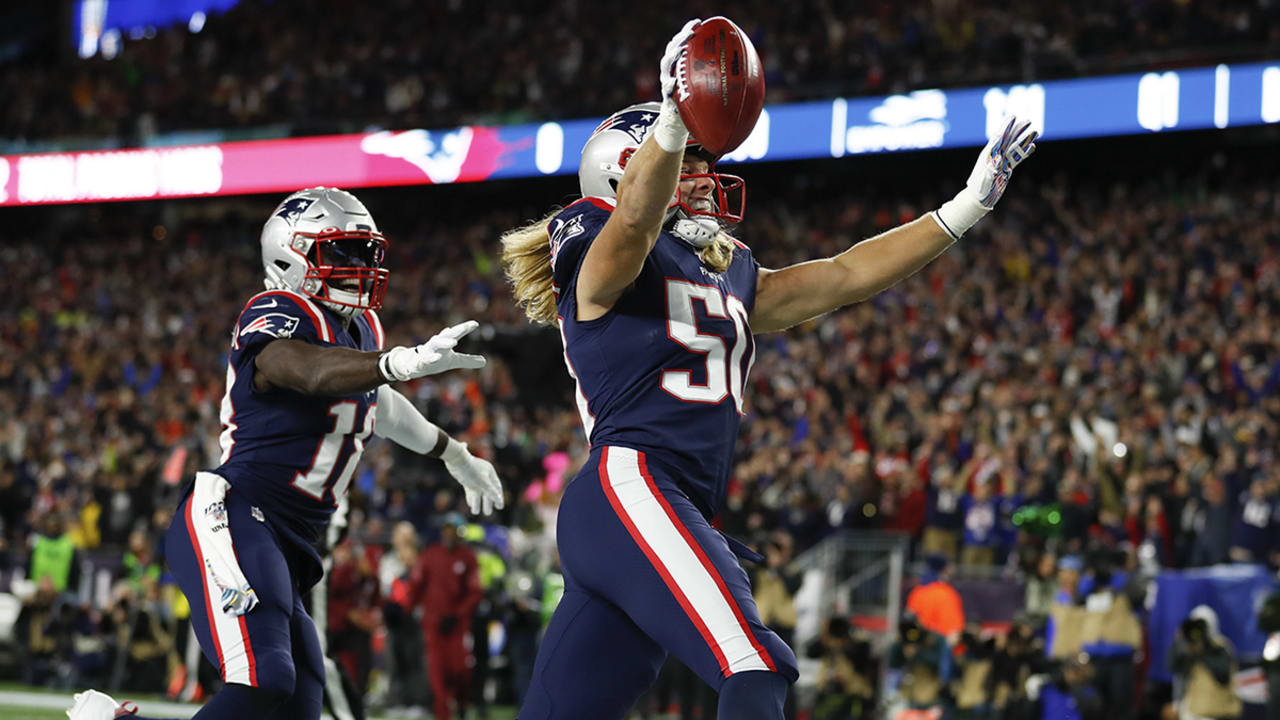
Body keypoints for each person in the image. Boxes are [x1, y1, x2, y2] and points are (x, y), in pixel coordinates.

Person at [499, 19, 1037, 720]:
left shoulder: (729, 272)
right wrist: (670, 122)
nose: (703, 177)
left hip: (661, 503)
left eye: (701, 161)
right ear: (625, 170)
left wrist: (964, 208)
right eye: (688, 162)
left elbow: (844, 275)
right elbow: (631, 228)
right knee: (754, 666)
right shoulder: (597, 246)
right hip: (633, 485)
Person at [68, 186, 506, 720]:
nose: (357, 266)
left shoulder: (361, 329)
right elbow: (308, 371)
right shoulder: (276, 310)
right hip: (236, 515)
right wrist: (396, 363)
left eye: (362, 253)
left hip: (288, 541)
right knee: (263, 677)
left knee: (298, 704)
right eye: (339, 253)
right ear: (289, 257)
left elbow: (379, 406)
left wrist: (453, 453)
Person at [408, 513, 483, 720]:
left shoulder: (467, 557)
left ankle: (461, 704)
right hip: (433, 623)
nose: (449, 535)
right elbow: (416, 585)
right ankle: (443, 715)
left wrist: (458, 614)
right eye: (447, 530)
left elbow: (475, 591)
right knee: (437, 674)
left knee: (460, 670)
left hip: (457, 625)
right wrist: (407, 608)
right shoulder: (430, 555)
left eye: (454, 531)